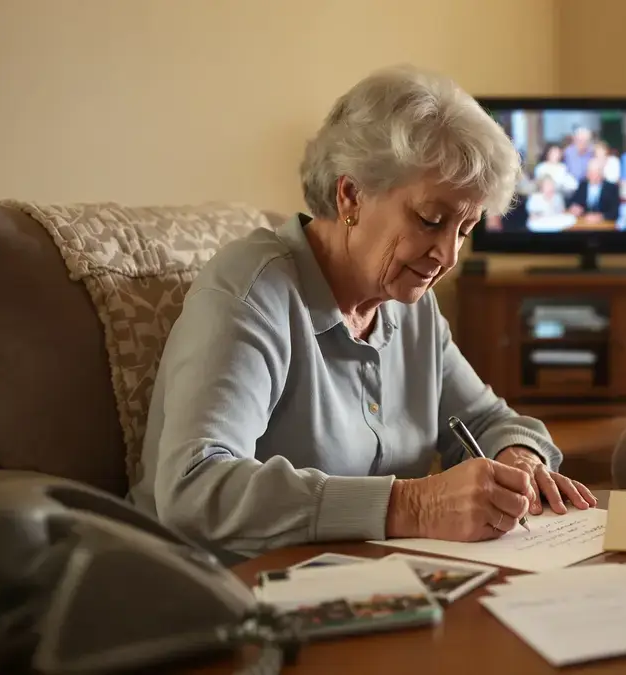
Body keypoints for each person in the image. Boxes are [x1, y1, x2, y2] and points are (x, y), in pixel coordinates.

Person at [131, 64, 597, 556]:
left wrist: (519, 458)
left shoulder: (410, 306)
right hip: (211, 585)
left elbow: (485, 420)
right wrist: (414, 506)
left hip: (361, 580)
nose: (448, 256)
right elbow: (194, 488)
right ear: (351, 195)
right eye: (430, 219)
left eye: (465, 229)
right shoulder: (253, 292)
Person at [567, 157, 621, 223]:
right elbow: (572, 201)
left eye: (595, 172)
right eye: (589, 171)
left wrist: (601, 217)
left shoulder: (612, 188)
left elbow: (616, 212)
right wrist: (574, 207)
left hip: (604, 224)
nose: (591, 174)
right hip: (584, 222)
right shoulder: (583, 185)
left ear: (601, 172)